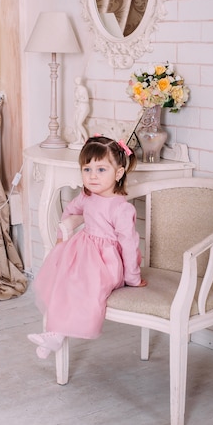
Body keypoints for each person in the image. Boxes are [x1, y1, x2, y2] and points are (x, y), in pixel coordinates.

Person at [28, 135, 147, 359]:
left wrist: (132, 278)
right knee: (61, 278)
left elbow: (129, 245)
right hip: (83, 250)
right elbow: (71, 210)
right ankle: (53, 334)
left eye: (101, 170)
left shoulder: (121, 209)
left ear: (118, 173)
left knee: (81, 284)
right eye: (87, 169)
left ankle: (55, 334)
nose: (92, 176)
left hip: (106, 262)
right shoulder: (88, 197)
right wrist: (64, 233)